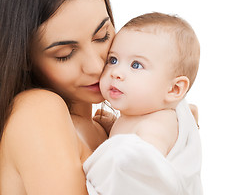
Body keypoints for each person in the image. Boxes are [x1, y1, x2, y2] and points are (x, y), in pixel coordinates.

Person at [0, 0, 198, 194]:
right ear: (23, 59)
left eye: (102, 37)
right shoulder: (38, 110)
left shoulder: (106, 129)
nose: (97, 67)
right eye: (65, 54)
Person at [83, 12, 202, 195]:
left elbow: (142, 173)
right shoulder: (146, 112)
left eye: (136, 65)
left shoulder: (155, 128)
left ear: (174, 90)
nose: (116, 72)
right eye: (113, 60)